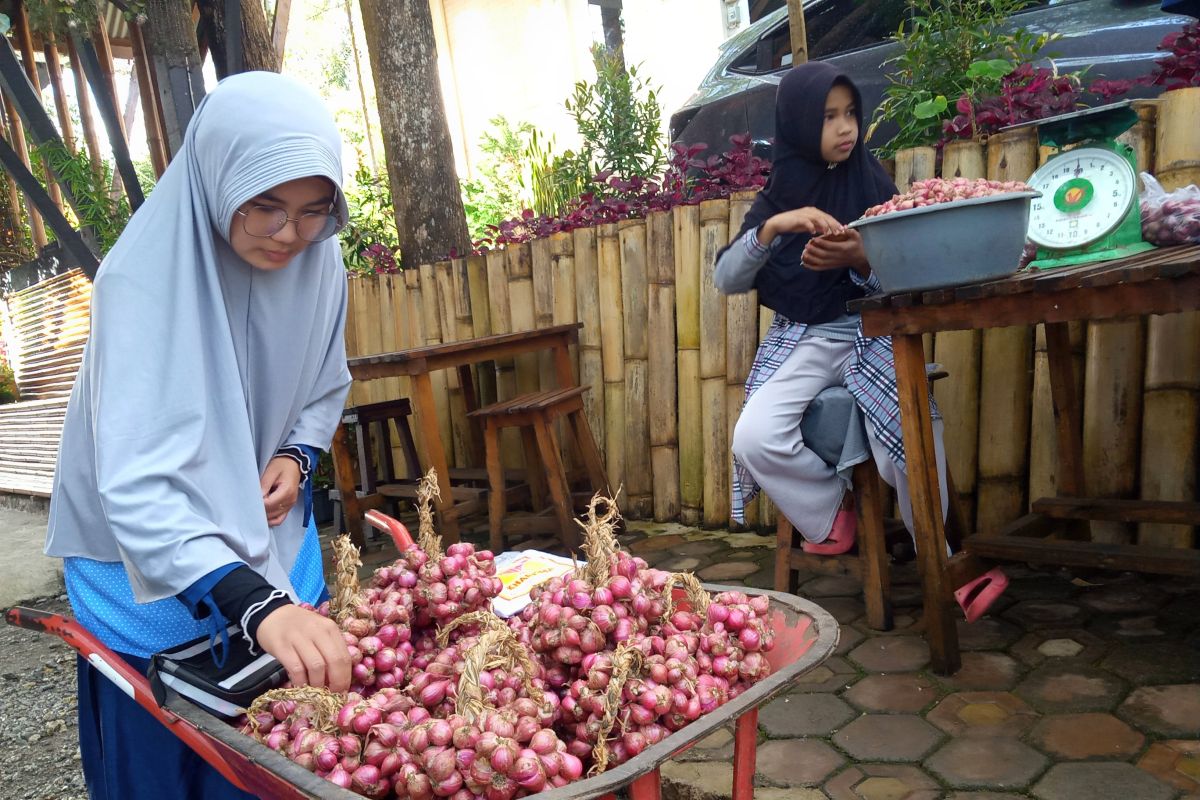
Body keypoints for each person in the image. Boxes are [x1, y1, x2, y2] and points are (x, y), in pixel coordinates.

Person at [43, 72, 355, 799]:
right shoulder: (139, 285)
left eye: (314, 211)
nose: (289, 234)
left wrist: (295, 453)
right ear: (216, 177)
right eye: (266, 205)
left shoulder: (319, 259)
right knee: (170, 755)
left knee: (286, 742)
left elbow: (324, 381)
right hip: (145, 562)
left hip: (270, 533)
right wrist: (254, 604)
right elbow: (137, 485)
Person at [715, 62, 1007, 619]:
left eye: (851, 113)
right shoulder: (779, 196)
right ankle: (831, 515)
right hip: (804, 337)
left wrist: (859, 255)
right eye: (829, 117)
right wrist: (777, 227)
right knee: (753, 435)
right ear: (801, 123)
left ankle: (942, 564)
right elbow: (728, 278)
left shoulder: (873, 184)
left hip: (873, 330)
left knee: (909, 430)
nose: (845, 127)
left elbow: (912, 271)